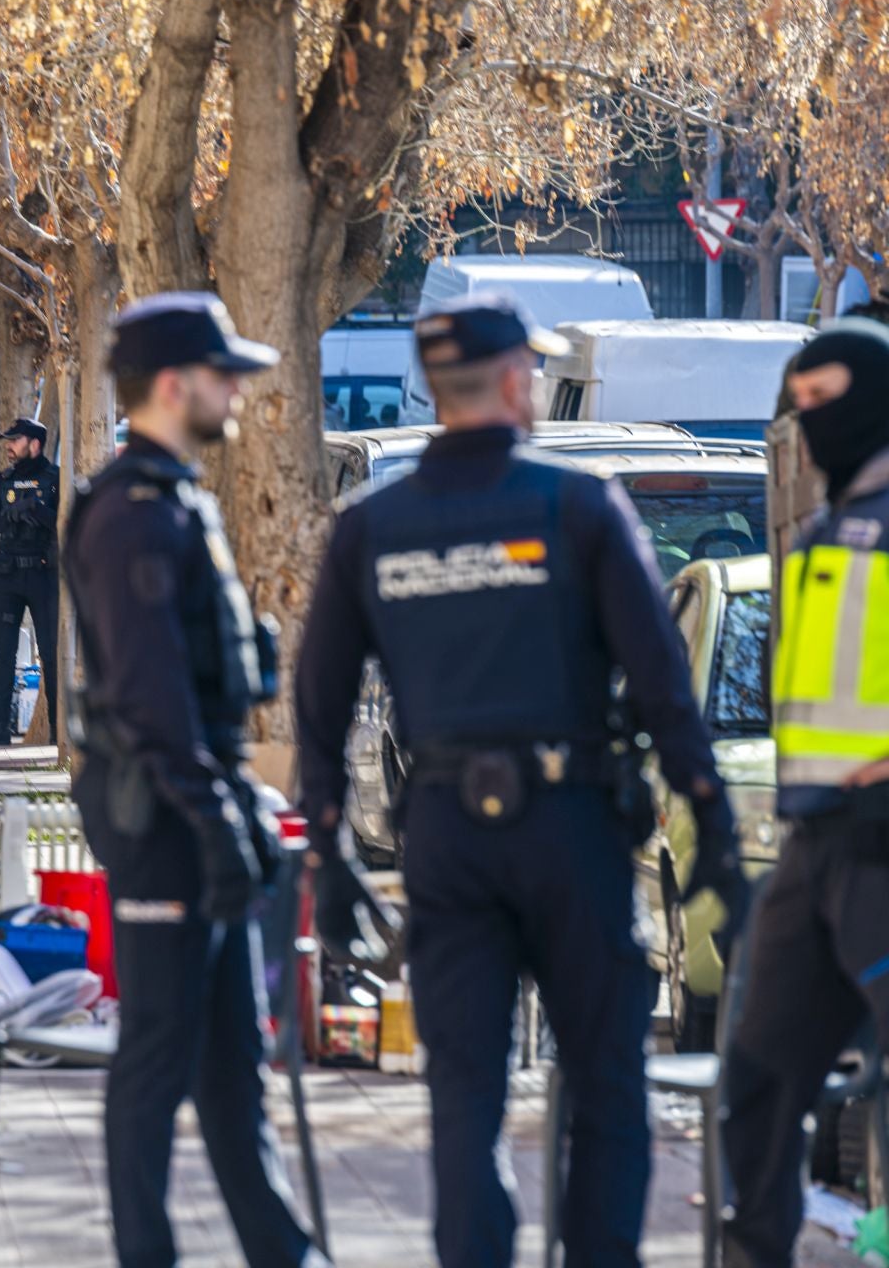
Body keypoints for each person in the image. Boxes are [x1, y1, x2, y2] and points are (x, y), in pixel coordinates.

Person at [294, 294, 744, 1268]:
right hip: (570, 828)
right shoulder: (576, 507)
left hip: (450, 838)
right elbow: (666, 684)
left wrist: (330, 852)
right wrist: (714, 833)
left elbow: (319, 708)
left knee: (466, 1098)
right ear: (511, 382)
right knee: (608, 1090)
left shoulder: (374, 526)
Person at [70, 293, 330, 1268]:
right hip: (163, 815)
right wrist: (218, 814)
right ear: (176, 386)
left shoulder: (174, 499)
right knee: (157, 1060)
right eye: (225, 375)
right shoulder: (134, 515)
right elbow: (150, 698)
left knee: (232, 1065)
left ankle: (285, 1249)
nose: (238, 390)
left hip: (196, 805)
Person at [721, 318, 889, 1268]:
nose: (812, 422)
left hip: (883, 844)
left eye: (830, 401)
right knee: (759, 1073)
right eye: (803, 402)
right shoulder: (825, 530)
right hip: (816, 847)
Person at [0, 417, 61, 744]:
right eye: (8, 440)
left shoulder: (55, 480)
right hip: (8, 575)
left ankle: (58, 729)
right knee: (4, 655)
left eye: (15, 440)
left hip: (43, 574)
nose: (9, 446)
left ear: (35, 444)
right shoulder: (1, 481)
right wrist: (10, 515)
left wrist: (39, 511)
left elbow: (67, 522)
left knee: (51, 654)